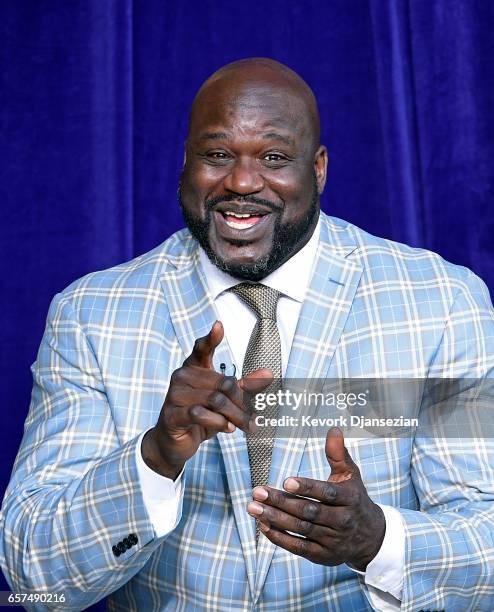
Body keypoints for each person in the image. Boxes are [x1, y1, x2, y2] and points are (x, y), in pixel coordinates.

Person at [1, 57, 494, 612]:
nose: (240, 182)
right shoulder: (92, 315)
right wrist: (154, 457)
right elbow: (31, 574)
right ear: (185, 165)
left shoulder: (441, 302)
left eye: (275, 158)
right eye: (216, 155)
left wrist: (377, 540)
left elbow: (487, 544)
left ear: (320, 169)